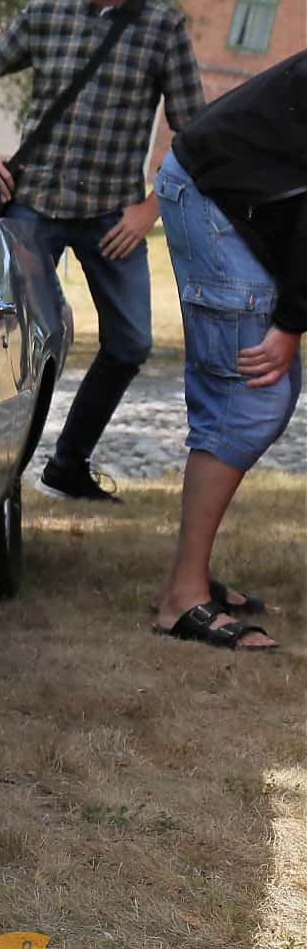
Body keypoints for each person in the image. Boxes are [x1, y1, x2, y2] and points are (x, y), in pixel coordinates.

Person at [0, 0, 205, 502]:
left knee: (131, 344)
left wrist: (150, 211)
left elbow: (196, 134)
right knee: (8, 343)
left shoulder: (164, 29)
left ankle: (68, 464)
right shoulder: (45, 15)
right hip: (31, 204)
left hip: (111, 214)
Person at [149, 50, 304, 652]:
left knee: (259, 397)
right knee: (249, 398)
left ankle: (188, 576)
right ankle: (180, 599)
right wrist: (290, 322)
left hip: (229, 191)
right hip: (210, 195)